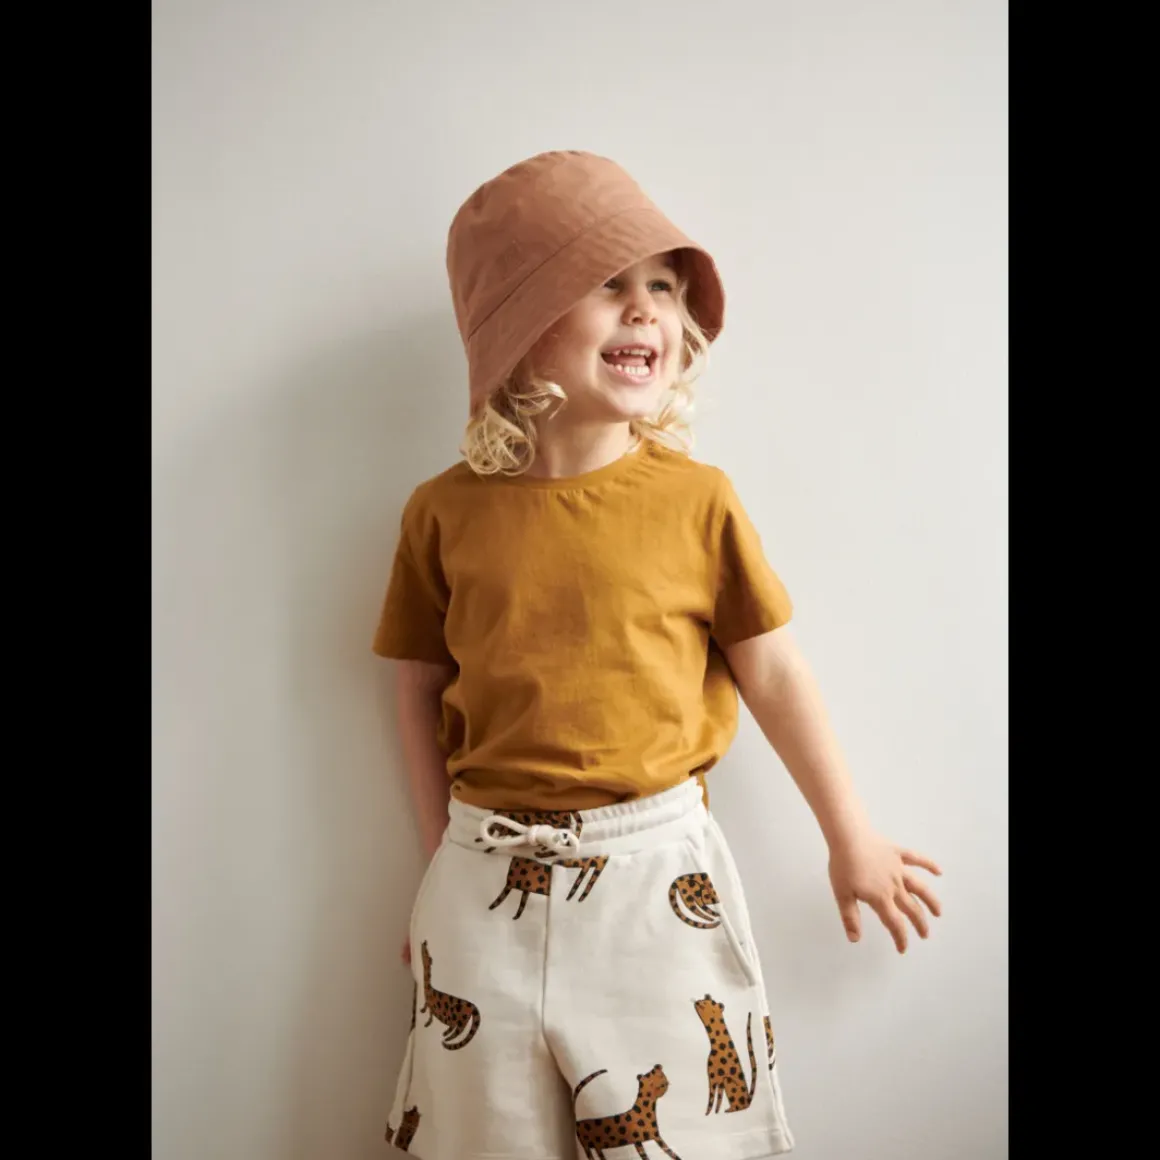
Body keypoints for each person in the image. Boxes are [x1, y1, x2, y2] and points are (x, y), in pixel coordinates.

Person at [373, 150, 941, 1160]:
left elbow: (773, 671)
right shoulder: (441, 513)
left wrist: (848, 834)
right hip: (480, 877)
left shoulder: (696, 500)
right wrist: (433, 872)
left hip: (654, 879)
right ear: (516, 324)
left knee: (683, 1137)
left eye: (664, 287)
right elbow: (415, 690)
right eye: (607, 283)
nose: (646, 310)